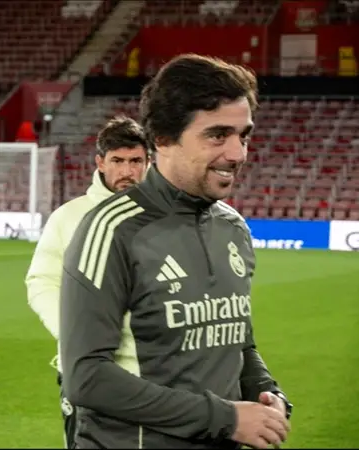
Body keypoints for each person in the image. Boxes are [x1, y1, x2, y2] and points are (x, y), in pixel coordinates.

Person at [59, 53, 294, 449]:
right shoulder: (112, 229)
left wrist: (266, 391)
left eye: (243, 136)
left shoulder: (233, 229)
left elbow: (238, 343)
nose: (238, 153)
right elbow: (86, 377)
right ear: (164, 139)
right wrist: (225, 418)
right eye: (217, 135)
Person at [24, 115, 151, 448]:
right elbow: (41, 282)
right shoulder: (69, 217)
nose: (127, 171)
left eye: (135, 161)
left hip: (155, 376)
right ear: (100, 163)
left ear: (148, 163)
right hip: (87, 370)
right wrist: (73, 333)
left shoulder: (166, 217)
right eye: (118, 161)